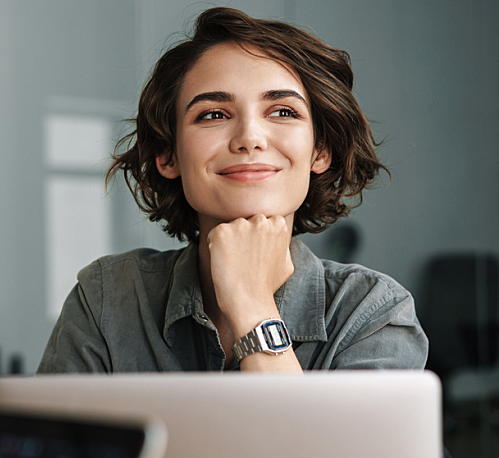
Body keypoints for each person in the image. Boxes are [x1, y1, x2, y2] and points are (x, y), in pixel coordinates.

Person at [37, 7, 427, 373]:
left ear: (320, 151)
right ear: (167, 155)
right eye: (213, 114)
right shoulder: (106, 299)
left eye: (283, 112)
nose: (249, 138)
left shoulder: (373, 313)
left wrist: (251, 304)